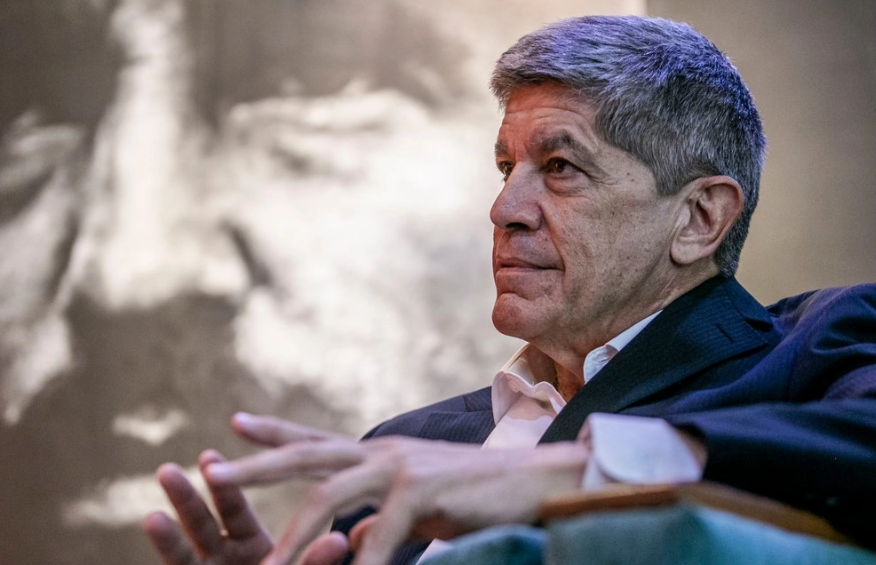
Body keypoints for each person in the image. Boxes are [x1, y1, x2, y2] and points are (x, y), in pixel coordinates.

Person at [143, 15, 876, 565]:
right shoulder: (411, 445)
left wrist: (591, 470)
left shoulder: (809, 352)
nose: (504, 209)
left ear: (699, 218)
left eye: (560, 167)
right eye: (506, 168)